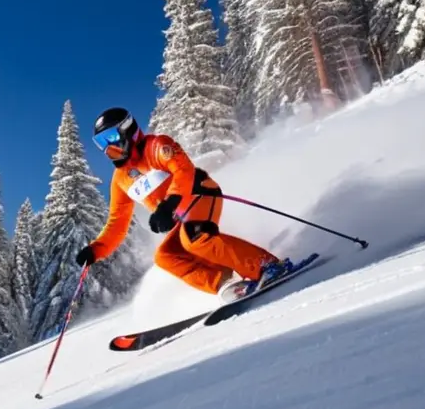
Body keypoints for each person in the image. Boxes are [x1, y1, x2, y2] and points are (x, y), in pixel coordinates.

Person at [74, 107, 292, 301]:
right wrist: (95, 250)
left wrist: (169, 204)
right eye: (101, 142)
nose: (108, 147)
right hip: (180, 215)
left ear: (128, 129)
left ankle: (267, 266)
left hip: (200, 195)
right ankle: (225, 282)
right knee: (165, 256)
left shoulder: (156, 146)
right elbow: (117, 222)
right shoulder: (121, 179)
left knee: (195, 239)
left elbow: (183, 170)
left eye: (111, 136)